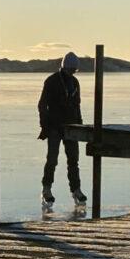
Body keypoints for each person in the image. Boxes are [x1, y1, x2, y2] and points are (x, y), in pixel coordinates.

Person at [38, 52, 87, 204]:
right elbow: (42, 104)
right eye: (70, 69)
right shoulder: (51, 81)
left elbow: (77, 105)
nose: (72, 72)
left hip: (71, 127)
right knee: (52, 159)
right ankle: (46, 188)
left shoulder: (75, 83)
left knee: (73, 160)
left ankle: (76, 190)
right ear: (64, 67)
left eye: (74, 70)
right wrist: (44, 124)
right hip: (54, 127)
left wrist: (79, 125)